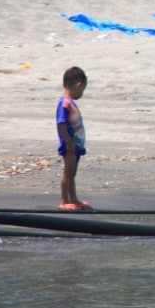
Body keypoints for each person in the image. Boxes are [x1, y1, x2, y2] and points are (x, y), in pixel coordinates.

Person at [56, 66, 91, 211]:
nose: (81, 93)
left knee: (72, 173)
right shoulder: (64, 103)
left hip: (75, 146)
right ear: (78, 85)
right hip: (69, 145)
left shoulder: (70, 103)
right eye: (82, 90)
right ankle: (64, 201)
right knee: (68, 173)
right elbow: (61, 123)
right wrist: (68, 142)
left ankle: (74, 200)